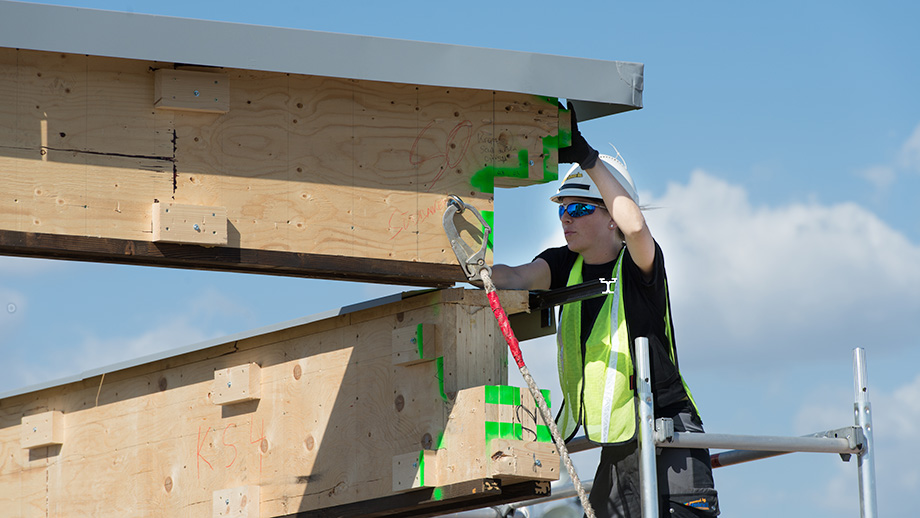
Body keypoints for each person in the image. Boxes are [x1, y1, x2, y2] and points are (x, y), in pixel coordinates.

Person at [487, 105, 719, 517]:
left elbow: (637, 229)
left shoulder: (638, 265)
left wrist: (586, 157)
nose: (566, 218)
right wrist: (466, 265)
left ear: (611, 217)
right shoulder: (563, 264)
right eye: (561, 209)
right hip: (618, 448)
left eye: (578, 209)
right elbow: (513, 276)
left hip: (667, 439)